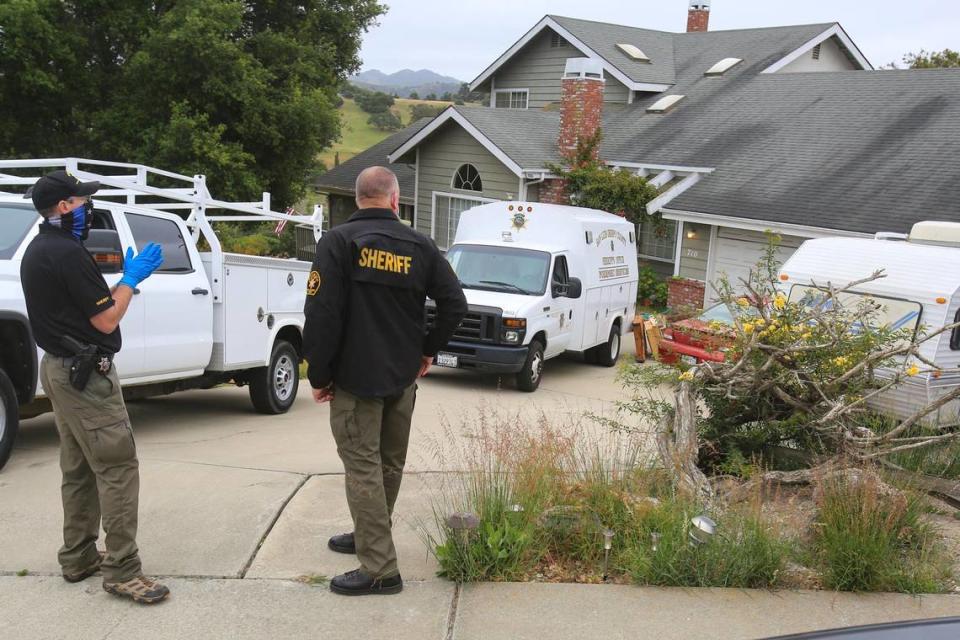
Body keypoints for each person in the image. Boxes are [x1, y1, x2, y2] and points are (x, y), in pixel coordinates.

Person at [303, 166, 467, 596]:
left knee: (363, 469)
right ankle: (369, 535)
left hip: (356, 380)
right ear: (395, 200)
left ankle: (380, 570)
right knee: (387, 465)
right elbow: (455, 303)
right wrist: (427, 349)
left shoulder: (338, 243)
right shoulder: (420, 245)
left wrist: (319, 374)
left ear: (359, 199)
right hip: (401, 379)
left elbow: (321, 315)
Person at [19, 170, 169, 604]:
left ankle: (79, 555)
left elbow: (79, 306)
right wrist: (131, 278)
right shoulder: (66, 253)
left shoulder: (40, 249)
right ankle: (122, 569)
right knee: (117, 467)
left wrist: (118, 282)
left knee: (79, 465)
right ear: (64, 206)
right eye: (82, 201)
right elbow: (105, 319)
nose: (88, 208)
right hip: (86, 375)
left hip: (60, 370)